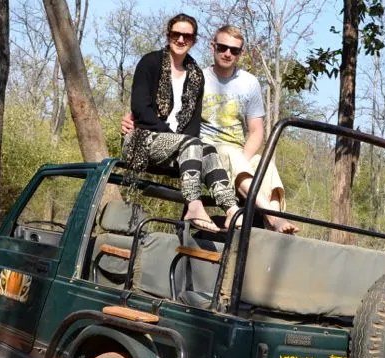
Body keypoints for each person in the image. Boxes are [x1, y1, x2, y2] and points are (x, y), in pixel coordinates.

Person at [123, 24, 297, 234]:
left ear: (240, 53)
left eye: (234, 50)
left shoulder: (249, 83)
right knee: (227, 153)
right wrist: (132, 119)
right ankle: (274, 218)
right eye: (222, 47)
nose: (227, 53)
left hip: (239, 150)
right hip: (208, 147)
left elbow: (256, 130)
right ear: (212, 46)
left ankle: (272, 230)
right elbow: (170, 110)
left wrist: (242, 159)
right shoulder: (197, 78)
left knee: (264, 164)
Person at [124, 13, 241, 233]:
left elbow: (193, 124)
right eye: (176, 34)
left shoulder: (196, 75)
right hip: (142, 140)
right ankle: (194, 206)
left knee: (207, 149)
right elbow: (140, 110)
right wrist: (177, 139)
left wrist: (183, 142)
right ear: (168, 35)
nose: (180, 40)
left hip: (180, 149)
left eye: (186, 36)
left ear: (194, 40)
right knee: (191, 144)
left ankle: (232, 209)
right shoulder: (150, 62)